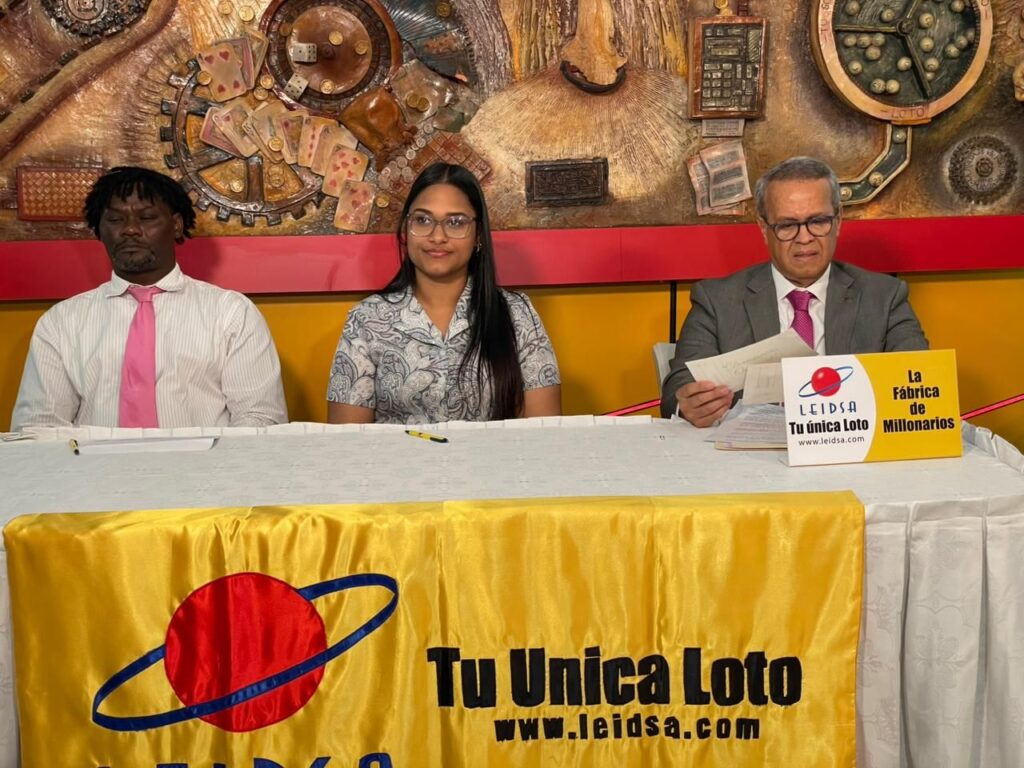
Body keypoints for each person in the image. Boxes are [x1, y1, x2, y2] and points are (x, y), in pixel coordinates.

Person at [11, 166, 288, 430]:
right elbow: (38, 426)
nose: (130, 229)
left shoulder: (231, 314)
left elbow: (260, 419)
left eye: (146, 218)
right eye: (115, 220)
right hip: (95, 466)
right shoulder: (61, 322)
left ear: (176, 225)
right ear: (99, 229)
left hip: (204, 465)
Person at [662, 156, 928, 427]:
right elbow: (678, 388)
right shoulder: (717, 300)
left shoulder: (884, 297)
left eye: (818, 221)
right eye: (787, 225)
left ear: (838, 221)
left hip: (852, 443)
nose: (804, 238)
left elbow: (919, 381)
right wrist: (689, 405)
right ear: (764, 229)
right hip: (750, 449)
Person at [327, 162, 561, 424]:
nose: (437, 236)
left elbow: (545, 431)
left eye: (455, 222)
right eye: (423, 220)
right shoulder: (367, 319)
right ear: (406, 229)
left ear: (478, 234)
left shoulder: (517, 314)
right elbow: (348, 439)